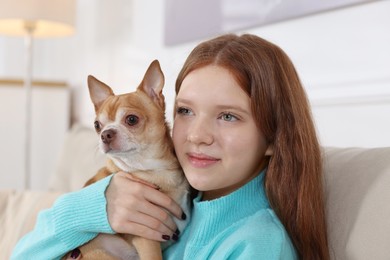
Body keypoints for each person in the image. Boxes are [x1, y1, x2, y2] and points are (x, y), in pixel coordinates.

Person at [12, 33, 329, 259]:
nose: (197, 135)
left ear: (274, 137)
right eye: (186, 111)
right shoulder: (162, 196)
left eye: (228, 116)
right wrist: (96, 207)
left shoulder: (257, 244)